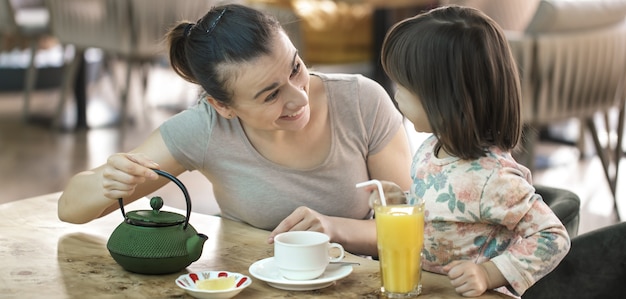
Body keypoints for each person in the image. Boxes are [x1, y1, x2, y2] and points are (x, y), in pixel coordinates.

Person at [56, 3, 412, 257]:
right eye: (271, 95)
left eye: (295, 68)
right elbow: (69, 208)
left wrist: (336, 229)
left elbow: (419, 226)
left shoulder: (362, 100)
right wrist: (108, 182)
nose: (299, 98)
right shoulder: (205, 127)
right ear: (222, 106)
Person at [376, 5, 571, 297]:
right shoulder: (432, 149)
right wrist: (402, 202)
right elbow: (443, 215)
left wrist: (488, 273)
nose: (395, 92)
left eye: (403, 86)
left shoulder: (493, 178)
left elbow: (553, 237)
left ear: (443, 98)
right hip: (430, 289)